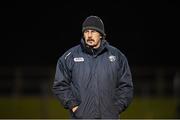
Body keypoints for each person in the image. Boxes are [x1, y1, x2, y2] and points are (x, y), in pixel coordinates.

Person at [52, 15, 133, 119]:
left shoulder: (117, 56)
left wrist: (116, 108)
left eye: (93, 31)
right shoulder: (69, 57)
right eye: (86, 32)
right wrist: (74, 106)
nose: (89, 35)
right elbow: (59, 85)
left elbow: (126, 86)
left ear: (101, 35)